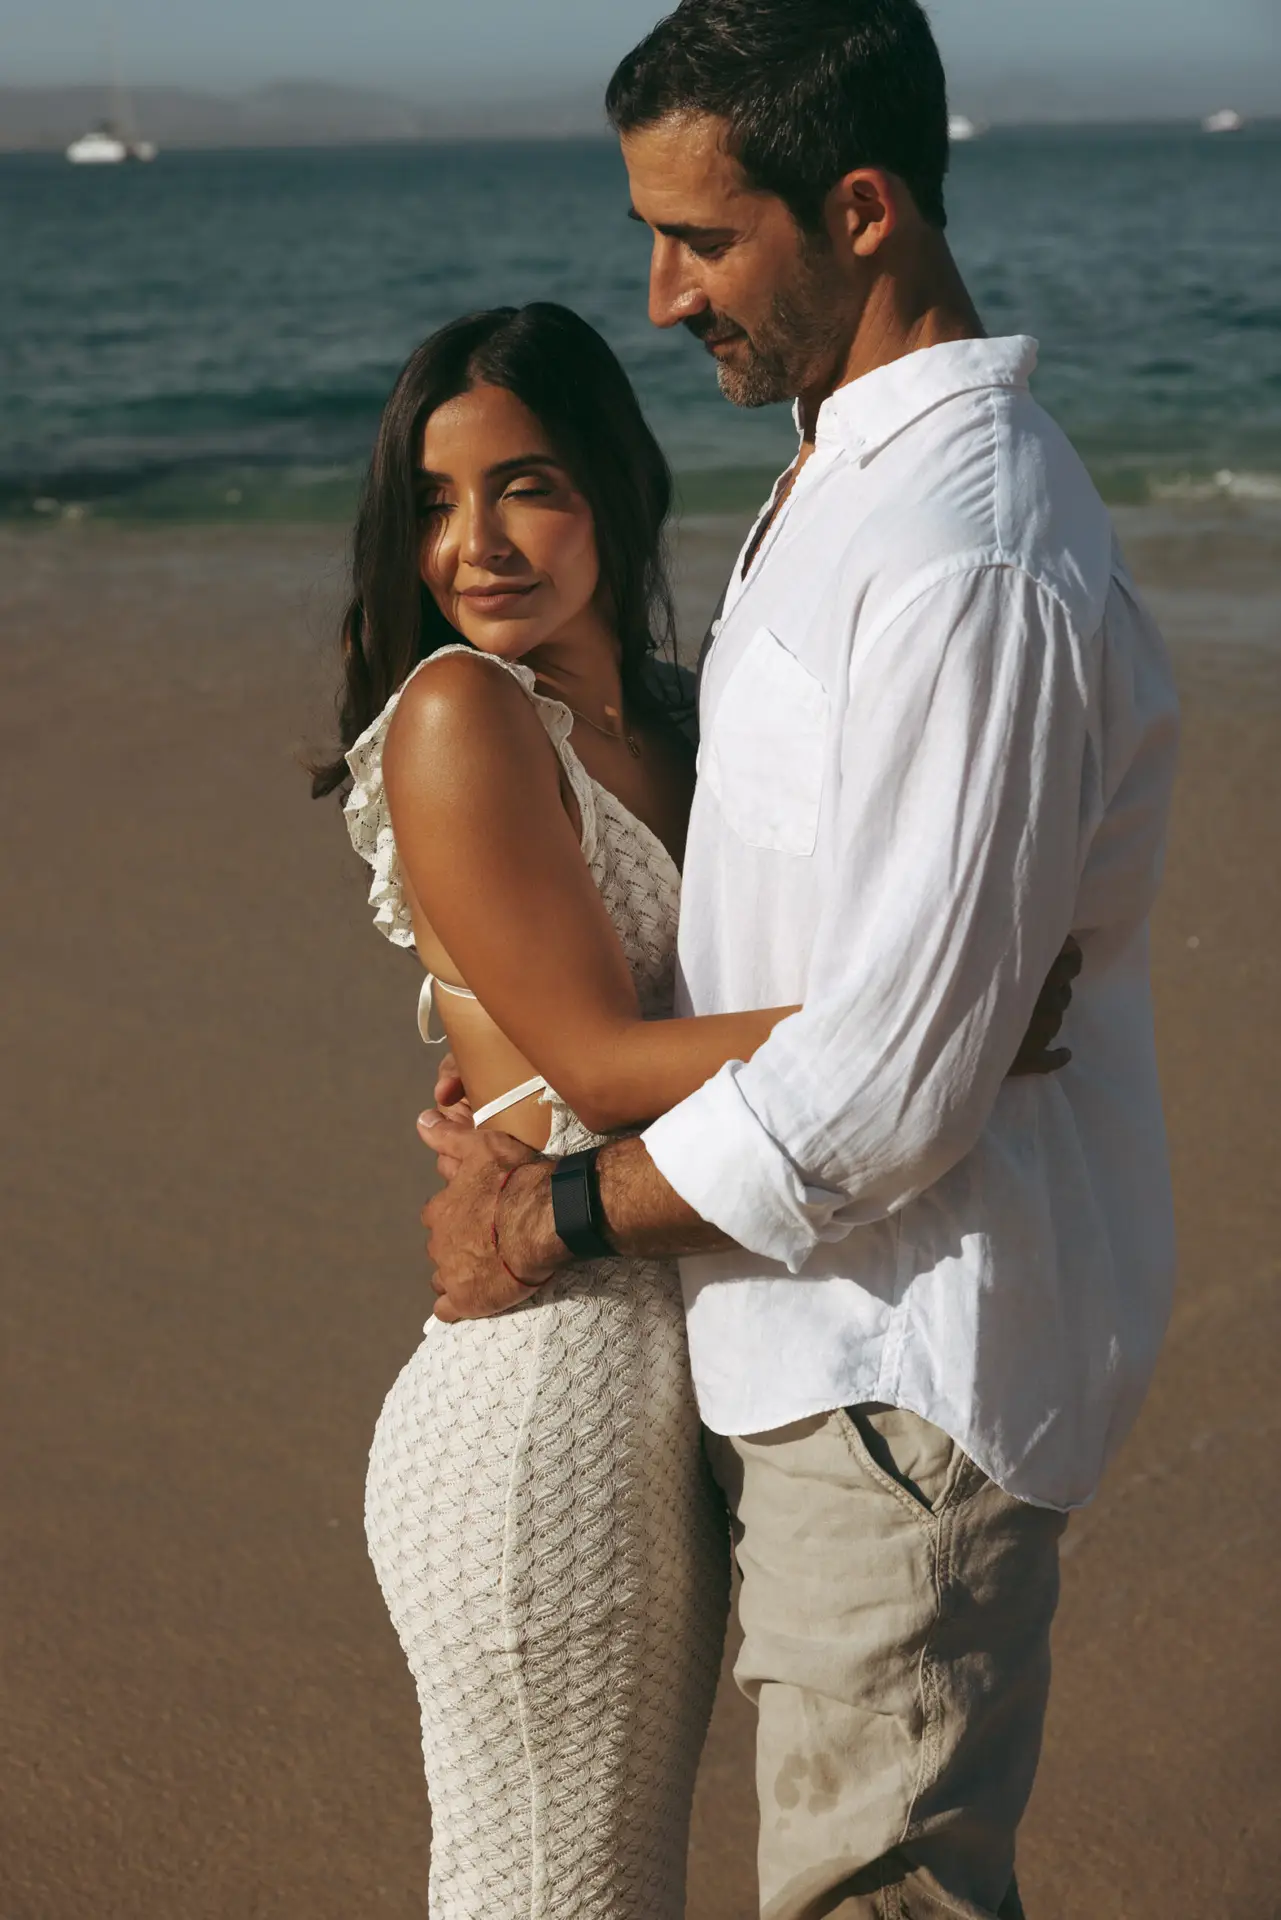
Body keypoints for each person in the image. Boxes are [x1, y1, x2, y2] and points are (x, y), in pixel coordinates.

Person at [419, 4, 1181, 1919]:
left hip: (901, 1358)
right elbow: (848, 986)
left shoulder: (961, 545)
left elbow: (899, 1082)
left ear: (859, 209)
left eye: (702, 238)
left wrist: (559, 1213)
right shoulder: (844, 484)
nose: (662, 298)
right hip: (795, 1339)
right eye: (648, 239)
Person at [313, 299, 1077, 1919]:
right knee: (555, 1896)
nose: (477, 545)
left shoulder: (687, 710)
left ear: (610, 484)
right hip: (544, 1390)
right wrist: (947, 1017)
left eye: (524, 486)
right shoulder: (464, 713)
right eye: (433, 505)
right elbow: (594, 1066)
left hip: (685, 1366)